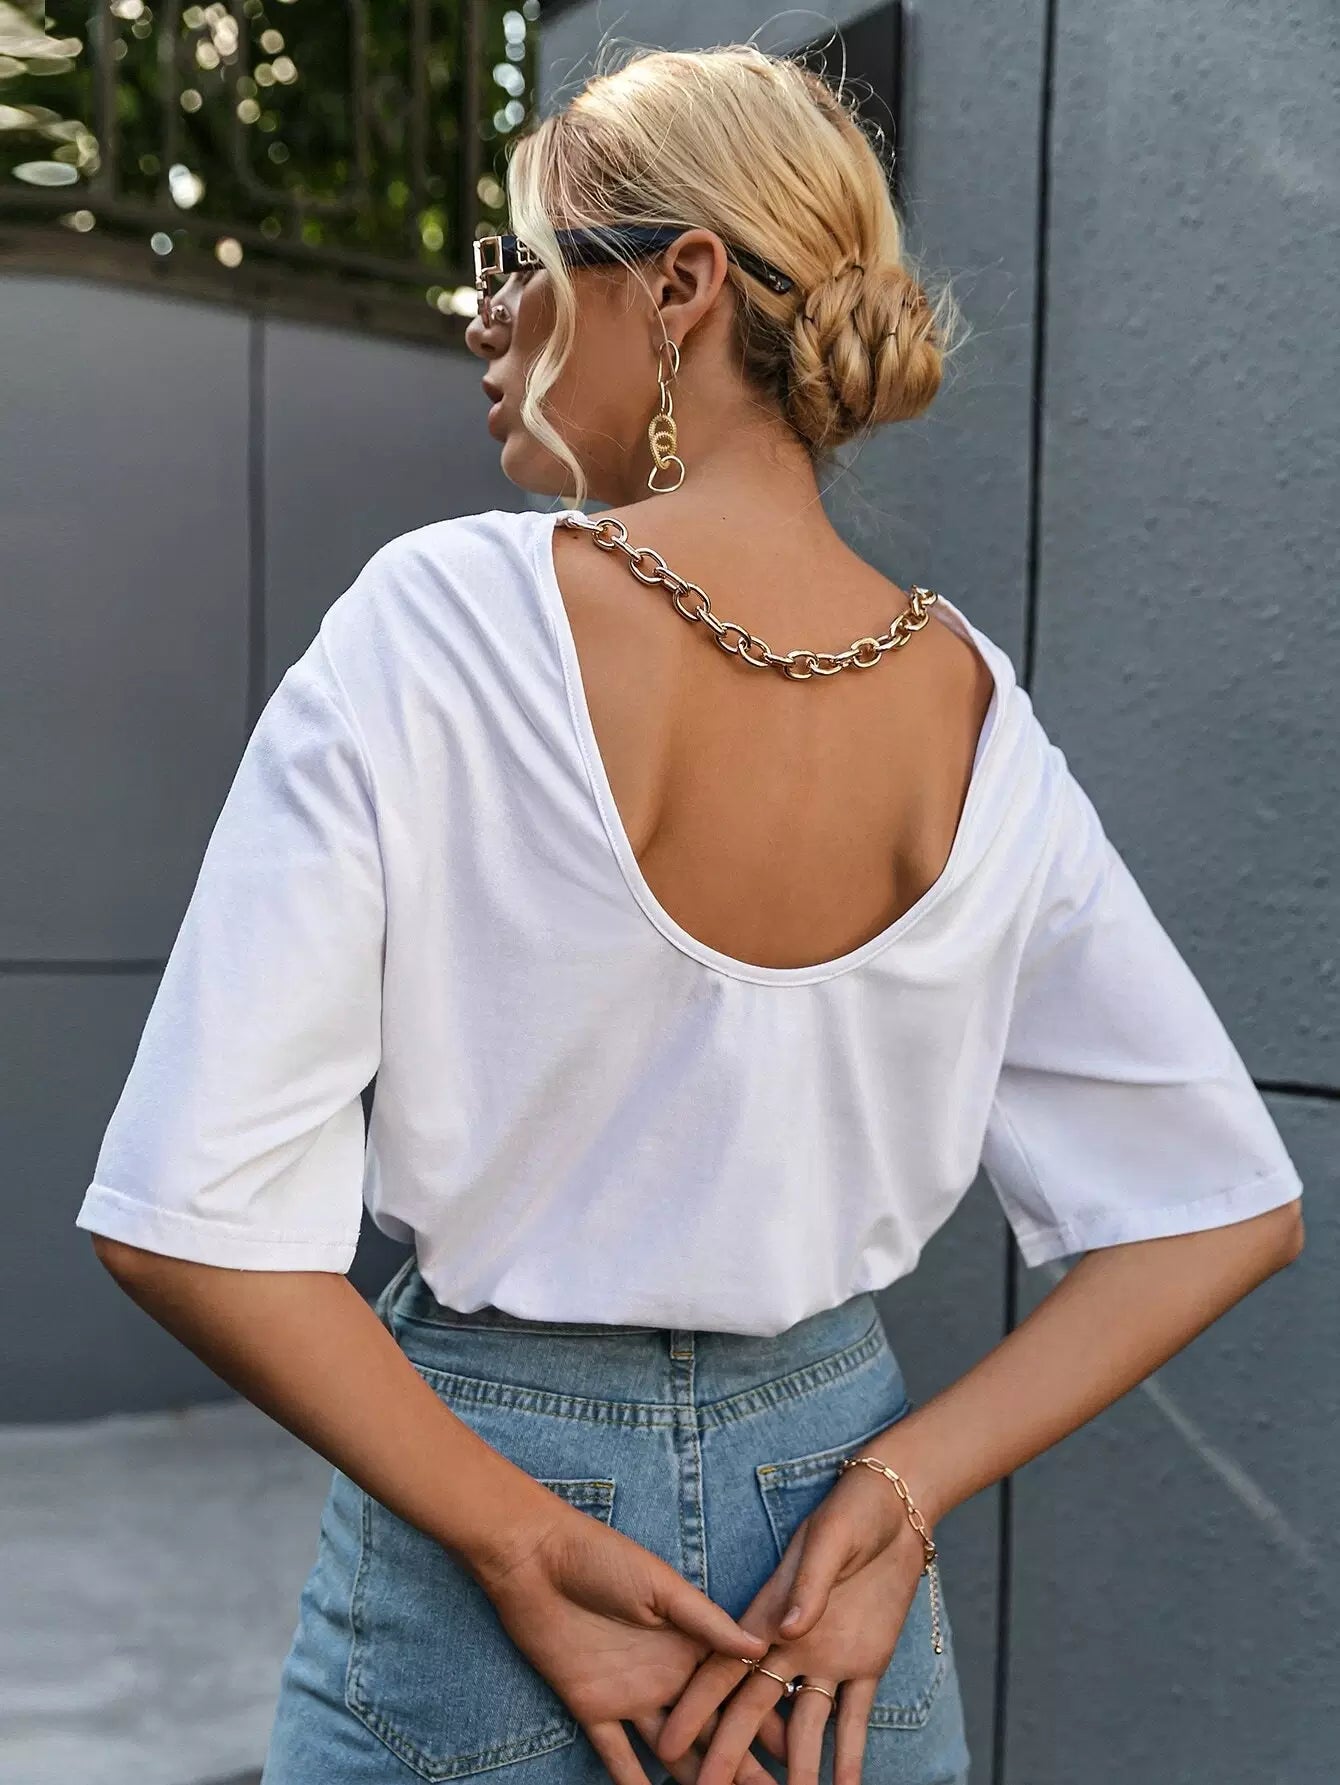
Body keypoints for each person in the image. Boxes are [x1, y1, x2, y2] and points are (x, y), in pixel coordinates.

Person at [76, 42, 1305, 1785]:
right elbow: (1223, 1207)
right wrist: (902, 1492)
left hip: (485, 1534)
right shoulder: (973, 709)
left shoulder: (439, 624)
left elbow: (182, 1219)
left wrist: (513, 1536)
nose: (480, 314)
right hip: (834, 1581)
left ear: (682, 286)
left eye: (518, 262)